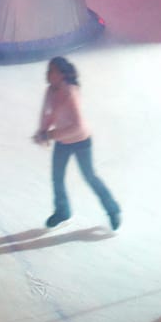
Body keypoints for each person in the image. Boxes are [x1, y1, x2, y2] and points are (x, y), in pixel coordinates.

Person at [34, 57, 120, 231]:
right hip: (62, 142)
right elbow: (48, 114)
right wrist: (43, 131)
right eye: (48, 70)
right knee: (57, 178)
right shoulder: (50, 91)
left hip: (81, 141)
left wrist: (50, 134)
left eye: (51, 71)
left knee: (90, 176)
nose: (48, 74)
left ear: (61, 74)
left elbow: (77, 126)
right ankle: (63, 211)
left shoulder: (70, 92)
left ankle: (113, 210)